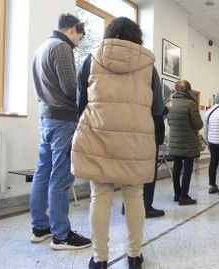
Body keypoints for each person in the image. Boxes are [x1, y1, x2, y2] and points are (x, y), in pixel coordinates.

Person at [72, 17, 164, 269]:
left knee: (99, 196)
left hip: (98, 135)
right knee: (134, 195)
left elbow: (80, 104)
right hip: (136, 139)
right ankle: (134, 255)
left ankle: (99, 259)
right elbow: (157, 108)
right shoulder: (149, 64)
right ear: (137, 37)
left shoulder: (91, 59)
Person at [30, 13, 90, 250]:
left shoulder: (41, 48)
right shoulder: (62, 47)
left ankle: (40, 227)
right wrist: (85, 108)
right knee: (61, 176)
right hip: (63, 120)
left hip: (45, 117)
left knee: (42, 172)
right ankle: (62, 235)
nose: (79, 42)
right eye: (80, 36)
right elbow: (70, 88)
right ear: (74, 29)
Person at [167, 80, 203, 205]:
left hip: (175, 142)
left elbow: (169, 123)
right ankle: (184, 196)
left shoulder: (170, 103)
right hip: (188, 143)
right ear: (188, 90)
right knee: (187, 169)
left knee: (176, 169)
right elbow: (198, 124)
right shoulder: (191, 104)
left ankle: (177, 194)